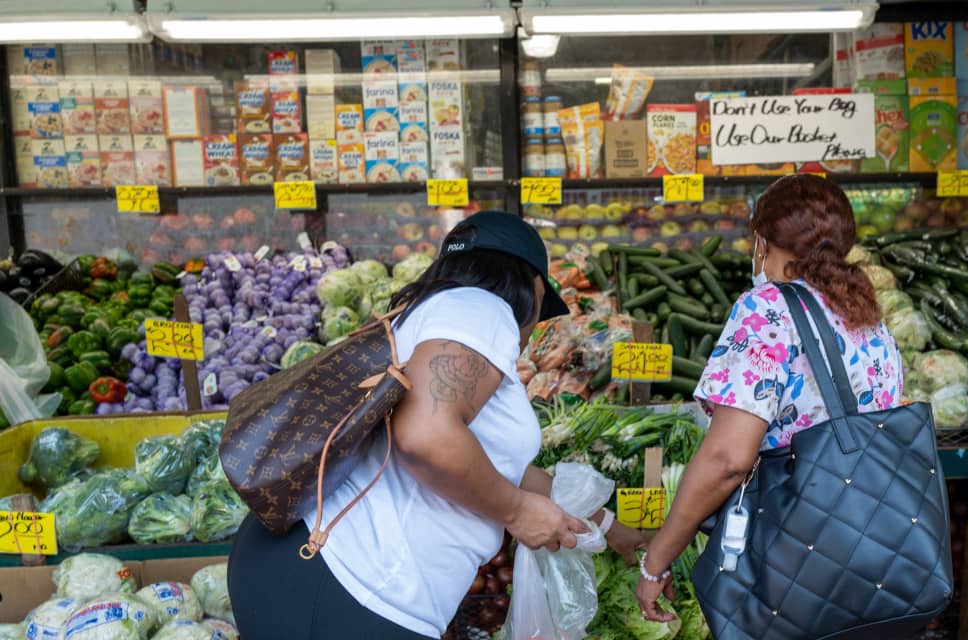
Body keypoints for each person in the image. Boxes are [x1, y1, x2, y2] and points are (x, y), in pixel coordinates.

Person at [229, 211, 646, 639]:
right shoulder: (480, 307)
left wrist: (607, 526)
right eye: (542, 307)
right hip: (349, 585)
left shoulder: (426, 318)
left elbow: (502, 470)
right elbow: (426, 435)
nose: (535, 325)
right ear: (528, 285)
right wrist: (517, 512)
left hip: (304, 566)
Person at [632, 174, 905, 623]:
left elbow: (728, 460)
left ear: (761, 240)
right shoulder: (869, 317)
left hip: (793, 553)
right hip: (868, 550)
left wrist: (656, 560)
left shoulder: (766, 311)